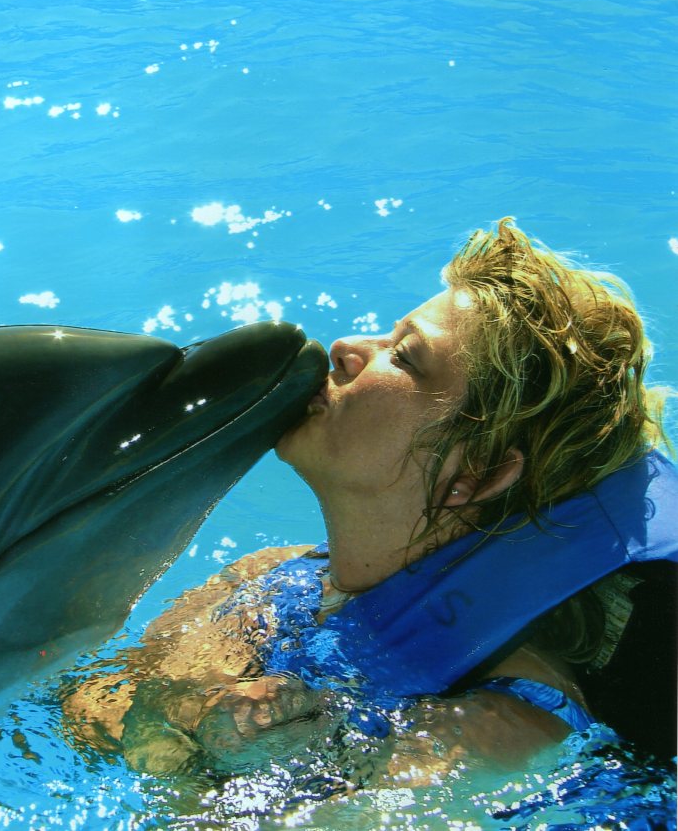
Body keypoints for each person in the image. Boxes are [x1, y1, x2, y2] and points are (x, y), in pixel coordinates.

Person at [60, 217, 675, 781]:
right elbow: (84, 713)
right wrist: (194, 715)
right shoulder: (267, 579)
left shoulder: (502, 728)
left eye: (404, 356)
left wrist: (248, 769)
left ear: (477, 473)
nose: (347, 347)